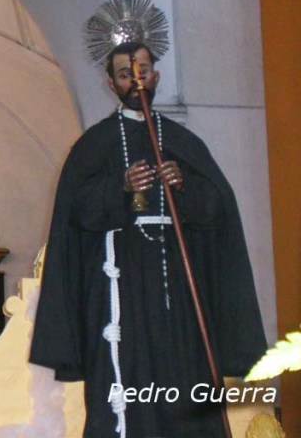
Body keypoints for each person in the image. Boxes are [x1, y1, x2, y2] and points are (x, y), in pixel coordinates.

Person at [30, 33, 267, 436]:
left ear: (155, 76)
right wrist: (119, 188)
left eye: (142, 71)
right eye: (126, 74)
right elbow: (77, 211)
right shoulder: (95, 144)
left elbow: (216, 209)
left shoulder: (183, 142)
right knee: (127, 379)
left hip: (178, 285)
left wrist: (184, 186)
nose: (136, 81)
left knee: (185, 375)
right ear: (112, 84)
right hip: (120, 288)